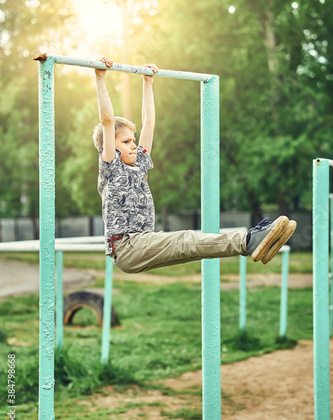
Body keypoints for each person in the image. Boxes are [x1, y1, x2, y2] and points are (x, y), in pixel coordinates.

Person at [93, 57, 297, 274]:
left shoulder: (139, 165)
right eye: (126, 142)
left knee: (192, 247)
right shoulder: (111, 166)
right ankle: (249, 240)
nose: (133, 146)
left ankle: (257, 246)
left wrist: (148, 83)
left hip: (143, 243)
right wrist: (100, 78)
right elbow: (107, 121)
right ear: (109, 146)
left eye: (133, 141)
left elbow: (149, 123)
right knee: (187, 239)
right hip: (127, 247)